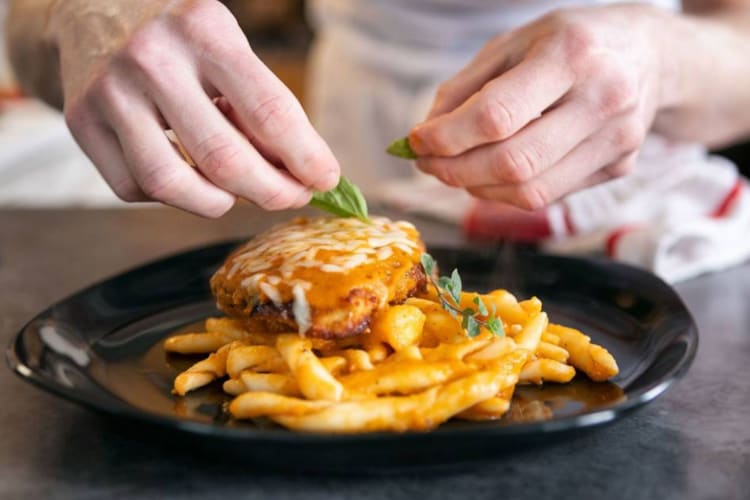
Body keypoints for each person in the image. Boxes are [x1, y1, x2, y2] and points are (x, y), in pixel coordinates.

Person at [6, 0, 750, 219]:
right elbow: (27, 21)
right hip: (350, 139)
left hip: (646, 209)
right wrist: (79, 13)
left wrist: (665, 58)